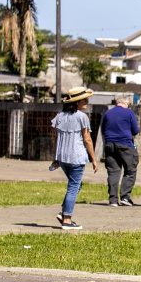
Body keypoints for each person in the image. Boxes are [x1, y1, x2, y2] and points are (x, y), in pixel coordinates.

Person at [50, 87, 98, 230]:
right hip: (76, 157)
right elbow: (87, 139)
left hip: (63, 157)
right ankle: (67, 219)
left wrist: (55, 156)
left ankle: (63, 212)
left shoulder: (60, 116)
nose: (87, 102)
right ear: (77, 102)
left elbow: (56, 138)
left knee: (75, 185)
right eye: (85, 100)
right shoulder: (81, 117)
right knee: (73, 187)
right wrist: (94, 159)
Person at [99, 93, 140, 207]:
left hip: (109, 144)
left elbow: (102, 129)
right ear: (125, 103)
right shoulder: (129, 113)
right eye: (128, 104)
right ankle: (125, 197)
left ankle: (112, 200)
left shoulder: (108, 113)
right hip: (125, 145)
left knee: (113, 171)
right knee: (130, 170)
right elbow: (135, 130)